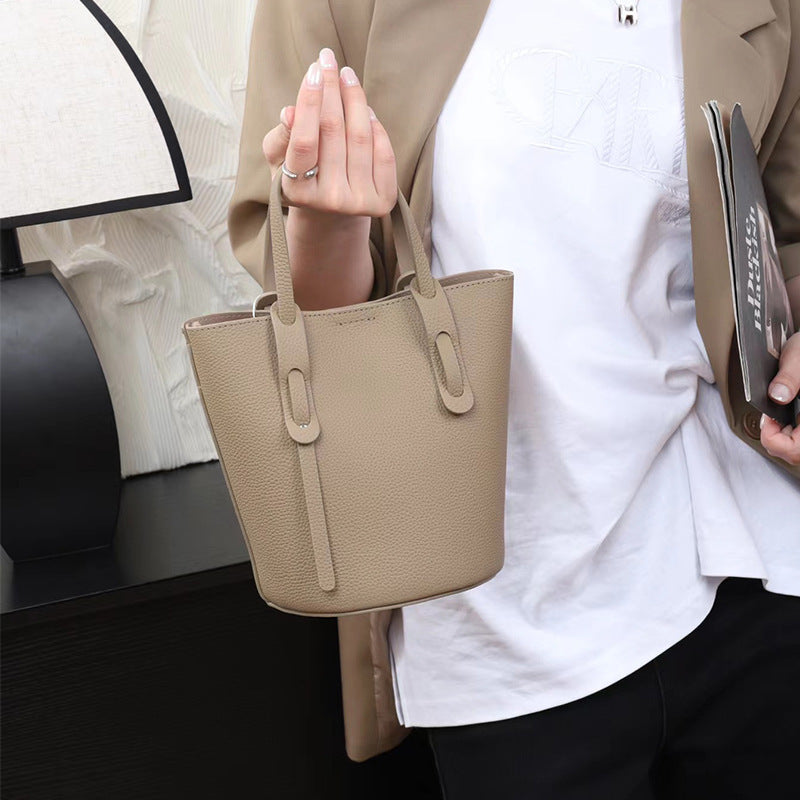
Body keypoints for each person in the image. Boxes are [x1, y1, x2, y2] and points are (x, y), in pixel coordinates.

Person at [228, 1, 800, 797]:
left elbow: (783, 236)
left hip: (749, 564)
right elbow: (316, 315)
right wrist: (329, 225)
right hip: (501, 609)